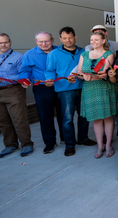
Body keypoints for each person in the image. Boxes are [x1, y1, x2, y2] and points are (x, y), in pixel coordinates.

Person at [45, 27, 96, 157]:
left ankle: (83, 138)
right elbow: (50, 70)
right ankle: (69, 144)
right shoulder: (53, 54)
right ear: (60, 39)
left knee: (84, 115)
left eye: (70, 37)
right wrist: (49, 79)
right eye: (65, 38)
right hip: (65, 90)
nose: (68, 40)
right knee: (67, 118)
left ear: (75, 37)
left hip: (83, 87)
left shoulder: (83, 52)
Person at [20, 31, 65, 154]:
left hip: (61, 86)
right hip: (41, 88)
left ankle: (65, 138)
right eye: (41, 41)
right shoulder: (30, 54)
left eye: (47, 41)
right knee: (45, 117)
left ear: (53, 40)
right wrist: (25, 80)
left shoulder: (60, 51)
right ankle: (50, 143)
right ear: (36, 41)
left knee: (64, 114)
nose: (44, 44)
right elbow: (24, 71)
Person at [77, 32, 118, 159]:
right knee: (96, 119)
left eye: (96, 40)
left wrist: (89, 76)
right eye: (91, 40)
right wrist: (82, 76)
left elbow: (103, 72)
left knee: (108, 117)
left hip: (104, 88)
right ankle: (100, 146)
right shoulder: (84, 55)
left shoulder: (109, 55)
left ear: (104, 40)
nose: (93, 42)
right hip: (89, 89)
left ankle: (109, 145)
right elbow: (79, 72)